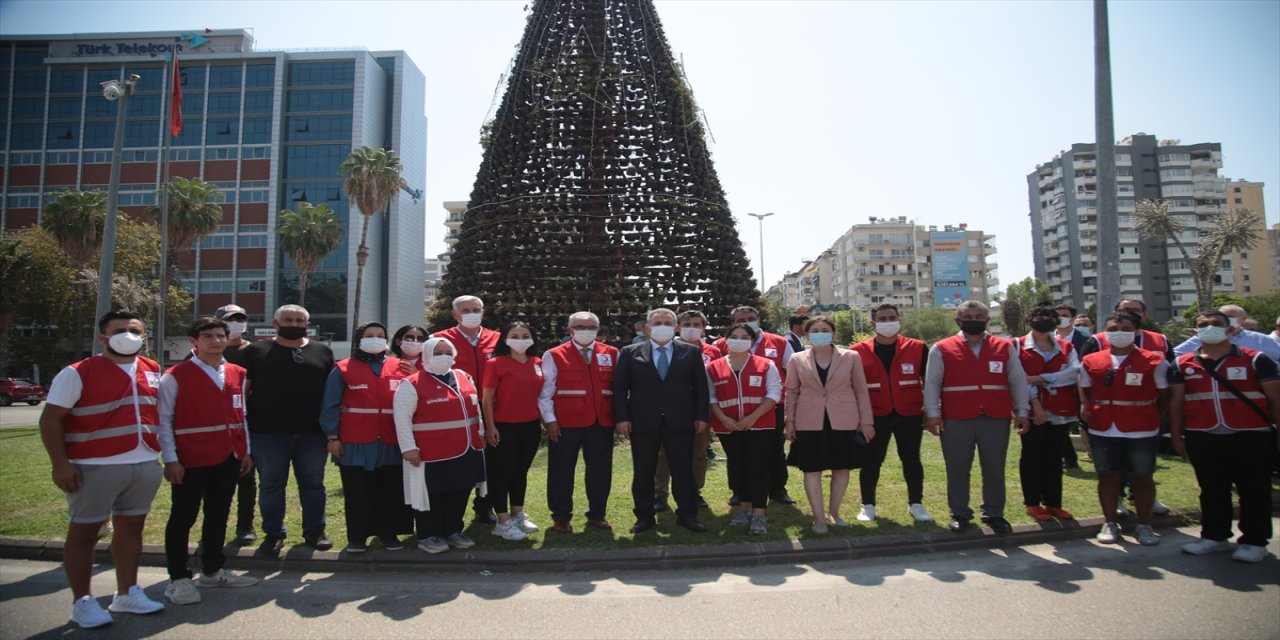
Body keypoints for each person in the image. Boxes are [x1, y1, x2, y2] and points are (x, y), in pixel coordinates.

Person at [39, 310, 166, 628]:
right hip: (94, 466)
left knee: (131, 530)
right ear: (103, 337)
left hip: (143, 462)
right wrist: (61, 464)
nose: (128, 335)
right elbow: (51, 419)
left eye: (134, 330)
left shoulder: (151, 368)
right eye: (120, 330)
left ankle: (127, 593)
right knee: (84, 534)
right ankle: (82, 601)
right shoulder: (78, 372)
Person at [158, 318, 258, 606]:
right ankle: (178, 578)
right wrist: (170, 459)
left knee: (218, 515)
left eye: (219, 335)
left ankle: (213, 571)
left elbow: (242, 416)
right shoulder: (175, 376)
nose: (215, 340)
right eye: (208, 336)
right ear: (193, 341)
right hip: (190, 459)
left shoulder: (237, 373)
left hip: (228, 457)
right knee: (183, 518)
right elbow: (164, 421)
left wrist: (245, 451)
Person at [1170, 311, 1280, 563]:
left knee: (1253, 490)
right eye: (1203, 325)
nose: (1210, 328)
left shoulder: (1256, 359)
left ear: (1230, 330)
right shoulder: (1184, 363)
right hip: (1203, 434)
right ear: (1195, 332)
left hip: (1251, 434)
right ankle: (1214, 536)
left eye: (1216, 324)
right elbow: (1177, 403)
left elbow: (1275, 399)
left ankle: (1254, 541)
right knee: (1211, 489)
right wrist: (1176, 436)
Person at [923, 301, 1030, 534]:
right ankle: (959, 513)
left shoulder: (1004, 347)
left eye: (979, 316)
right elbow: (932, 384)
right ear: (958, 321)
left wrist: (1022, 411)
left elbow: (1018, 381)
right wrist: (933, 414)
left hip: (995, 417)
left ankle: (994, 513)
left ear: (987, 320)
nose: (975, 319)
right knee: (958, 467)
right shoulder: (941, 348)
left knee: (994, 466)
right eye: (968, 316)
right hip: (956, 417)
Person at [240, 304, 335, 554]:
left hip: (312, 434)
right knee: (271, 485)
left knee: (314, 485)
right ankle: (273, 534)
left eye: (299, 321)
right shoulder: (256, 351)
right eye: (288, 320)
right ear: (275, 323)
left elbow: (331, 392)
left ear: (307, 324)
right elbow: (244, 391)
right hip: (268, 433)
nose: (293, 324)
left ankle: (315, 532)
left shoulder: (322, 351)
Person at [1079, 311, 1175, 546]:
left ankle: (1144, 525)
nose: (1117, 333)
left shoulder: (1154, 361)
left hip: (1140, 429)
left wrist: (1147, 414)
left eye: (1124, 328)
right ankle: (1110, 522)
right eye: (1112, 329)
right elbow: (1086, 392)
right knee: (1107, 478)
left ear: (1136, 332)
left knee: (1142, 478)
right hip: (1103, 429)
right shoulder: (1091, 361)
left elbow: (1164, 397)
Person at [615, 308, 711, 534]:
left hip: (680, 420)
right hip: (642, 421)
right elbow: (620, 388)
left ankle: (687, 515)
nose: (662, 326)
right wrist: (622, 418)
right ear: (647, 327)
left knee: (683, 470)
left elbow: (700, 388)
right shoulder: (630, 352)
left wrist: (700, 416)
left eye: (667, 322)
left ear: (675, 327)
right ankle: (644, 516)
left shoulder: (690, 352)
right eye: (657, 322)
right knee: (643, 471)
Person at [320, 322, 412, 553]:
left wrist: (417, 375)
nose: (375, 339)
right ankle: (357, 537)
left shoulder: (401, 366)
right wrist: (332, 437)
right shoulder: (342, 368)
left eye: (380, 335)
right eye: (369, 335)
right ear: (359, 340)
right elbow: (329, 405)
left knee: (390, 489)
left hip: (391, 440)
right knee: (358, 491)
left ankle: (389, 534)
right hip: (355, 441)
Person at [394, 337, 487, 553]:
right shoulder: (412, 383)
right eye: (437, 352)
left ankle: (453, 530)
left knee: (460, 490)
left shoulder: (463, 377)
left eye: (447, 351)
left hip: (467, 447)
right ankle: (428, 535)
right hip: (431, 451)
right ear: (426, 355)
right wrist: (408, 448)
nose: (444, 356)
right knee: (432, 493)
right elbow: (402, 418)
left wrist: (480, 432)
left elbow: (476, 409)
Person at [784, 316, 875, 533]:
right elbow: (792, 391)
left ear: (833, 333)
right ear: (807, 334)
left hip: (843, 419)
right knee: (812, 469)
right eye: (814, 330)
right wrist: (789, 421)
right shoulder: (797, 358)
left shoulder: (851, 356)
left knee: (841, 467)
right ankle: (819, 518)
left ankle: (834, 513)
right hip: (809, 420)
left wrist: (866, 421)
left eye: (825, 329)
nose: (820, 333)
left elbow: (861, 390)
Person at [850, 304, 933, 523]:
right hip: (875, 415)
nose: (888, 322)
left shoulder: (917, 347)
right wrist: (858, 418)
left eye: (892, 317)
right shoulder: (857, 351)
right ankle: (867, 506)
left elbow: (930, 381)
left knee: (911, 459)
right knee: (871, 461)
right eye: (882, 318)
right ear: (873, 323)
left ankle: (916, 504)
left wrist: (931, 410)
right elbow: (853, 387)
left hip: (910, 412)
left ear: (899, 319)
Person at [537, 311, 619, 533]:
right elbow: (545, 392)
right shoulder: (554, 354)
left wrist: (620, 419)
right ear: (570, 330)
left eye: (591, 327)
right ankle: (561, 517)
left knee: (600, 472)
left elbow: (619, 390)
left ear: (598, 329)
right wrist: (550, 420)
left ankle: (597, 514)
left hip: (601, 423)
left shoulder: (612, 353)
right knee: (561, 471)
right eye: (580, 327)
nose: (586, 330)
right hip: (565, 424)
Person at [713, 306, 796, 505]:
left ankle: (777, 489)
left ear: (759, 319)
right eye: (741, 319)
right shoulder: (720, 344)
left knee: (775, 450)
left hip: (771, 408)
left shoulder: (779, 342)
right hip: (732, 411)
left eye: (751, 318)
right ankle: (738, 492)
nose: (747, 321)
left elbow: (792, 372)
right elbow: (714, 375)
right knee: (735, 454)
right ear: (732, 323)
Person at [433, 295, 501, 525]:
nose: (472, 313)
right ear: (454, 314)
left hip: (494, 409)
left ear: (483, 312)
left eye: (476, 309)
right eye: (466, 310)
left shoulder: (497, 339)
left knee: (494, 461)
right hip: (457, 412)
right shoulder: (440, 340)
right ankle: (451, 513)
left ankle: (485, 506)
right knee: (461, 460)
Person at [707, 323, 781, 533]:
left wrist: (752, 417)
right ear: (726, 339)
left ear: (751, 341)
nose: (739, 340)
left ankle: (759, 513)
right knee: (737, 467)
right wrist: (722, 417)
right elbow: (711, 396)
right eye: (734, 336)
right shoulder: (713, 367)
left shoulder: (765, 364)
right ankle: (744, 509)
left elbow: (774, 393)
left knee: (757, 468)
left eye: (744, 337)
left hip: (760, 425)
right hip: (728, 426)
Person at [481, 322, 545, 541]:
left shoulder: (538, 362)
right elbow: (487, 398)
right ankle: (502, 520)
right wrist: (490, 427)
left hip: (530, 426)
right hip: (503, 427)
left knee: (520, 471)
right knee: (502, 473)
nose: (520, 339)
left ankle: (518, 514)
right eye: (514, 335)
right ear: (505, 339)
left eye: (525, 335)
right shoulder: (496, 363)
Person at [1016, 306, 1080, 522]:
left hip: (1060, 410)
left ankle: (1054, 503)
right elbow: (1020, 379)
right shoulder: (1016, 346)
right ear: (1029, 320)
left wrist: (1041, 377)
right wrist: (1035, 403)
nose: (1044, 321)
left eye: (1049, 318)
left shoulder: (1066, 347)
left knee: (1054, 457)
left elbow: (1072, 374)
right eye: (1039, 317)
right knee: (1032, 456)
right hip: (1031, 411)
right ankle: (1032, 503)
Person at [653, 310, 719, 512]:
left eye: (697, 324)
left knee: (698, 453)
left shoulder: (713, 352)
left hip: (700, 410)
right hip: (668, 409)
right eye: (687, 323)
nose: (692, 327)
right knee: (662, 453)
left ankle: (694, 491)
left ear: (703, 328)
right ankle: (660, 494)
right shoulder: (668, 347)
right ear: (678, 327)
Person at [212, 304, 259, 546]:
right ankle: (214, 527)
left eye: (241, 318)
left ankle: (245, 525)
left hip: (246, 424)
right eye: (231, 319)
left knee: (246, 477)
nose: (236, 323)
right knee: (216, 480)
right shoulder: (203, 352)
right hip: (213, 425)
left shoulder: (254, 351)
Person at [1174, 304, 1280, 365]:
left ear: (1243, 319)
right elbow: (1175, 356)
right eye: (1223, 316)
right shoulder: (1201, 338)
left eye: (1230, 316)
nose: (1227, 319)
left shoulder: (1260, 339)